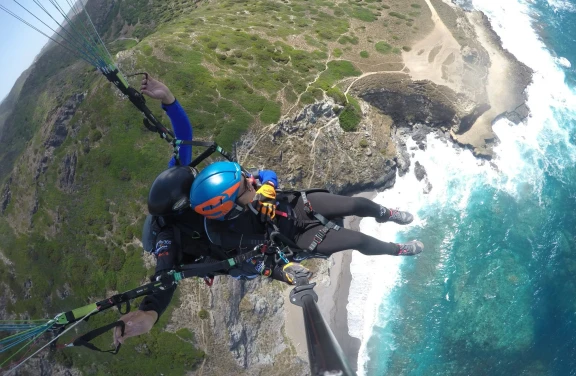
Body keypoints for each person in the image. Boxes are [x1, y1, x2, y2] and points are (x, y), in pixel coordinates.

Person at [112, 76, 309, 346]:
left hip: (241, 228)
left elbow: (183, 138)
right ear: (182, 205)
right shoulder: (167, 235)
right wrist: (150, 312)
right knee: (264, 259)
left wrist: (169, 99)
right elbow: (165, 275)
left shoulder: (179, 180)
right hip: (237, 254)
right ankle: (294, 269)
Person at [190, 161, 424, 259]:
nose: (250, 181)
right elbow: (263, 253)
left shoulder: (243, 184)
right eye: (245, 185)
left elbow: (266, 173)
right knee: (358, 240)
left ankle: (387, 214)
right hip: (298, 236)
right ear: (231, 205)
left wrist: (269, 186)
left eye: (245, 177)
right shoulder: (230, 233)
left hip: (299, 204)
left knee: (356, 204)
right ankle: (398, 250)